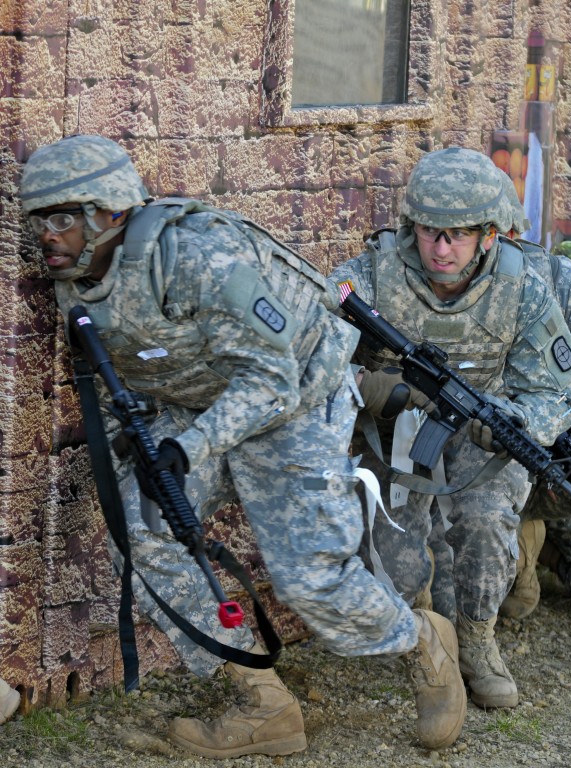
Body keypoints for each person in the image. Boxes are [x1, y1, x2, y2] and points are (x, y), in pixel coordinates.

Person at [19, 134, 467, 757]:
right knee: (140, 530)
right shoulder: (85, 276)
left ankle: (419, 638)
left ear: (107, 212)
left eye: (61, 218)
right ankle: (260, 700)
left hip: (295, 401)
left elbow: (272, 380)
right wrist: (156, 437)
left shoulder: (200, 256)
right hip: (201, 403)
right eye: (38, 220)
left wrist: (188, 448)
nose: (46, 236)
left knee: (310, 580)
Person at [330, 147, 571, 711]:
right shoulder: (372, 276)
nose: (441, 249)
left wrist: (517, 422)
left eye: (458, 235)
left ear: (489, 235)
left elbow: (551, 393)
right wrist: (363, 384)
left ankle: (476, 640)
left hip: (484, 423)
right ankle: (424, 631)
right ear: (411, 226)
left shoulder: (524, 287)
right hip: (393, 424)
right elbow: (305, 345)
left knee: (488, 525)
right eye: (429, 233)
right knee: (393, 565)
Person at [494, 170, 571, 617]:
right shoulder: (426, 290)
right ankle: (525, 558)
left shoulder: (560, 279)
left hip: (556, 448)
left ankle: (538, 548)